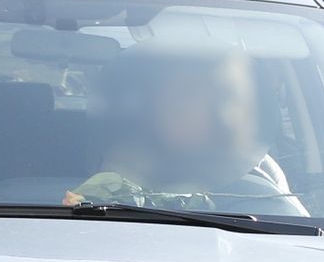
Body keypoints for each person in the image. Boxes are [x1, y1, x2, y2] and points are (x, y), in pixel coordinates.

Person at [64, 49, 304, 216]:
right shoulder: (114, 178)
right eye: (190, 94)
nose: (218, 111)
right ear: (152, 105)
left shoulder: (264, 176)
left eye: (229, 95)